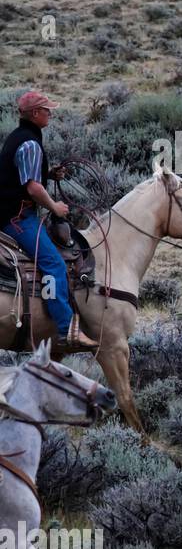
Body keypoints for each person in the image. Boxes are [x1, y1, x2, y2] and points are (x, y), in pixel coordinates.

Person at [0, 91, 97, 353]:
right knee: (53, 265)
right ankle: (66, 330)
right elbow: (31, 188)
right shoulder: (30, 144)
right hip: (18, 218)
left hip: (13, 213)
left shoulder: (21, 138)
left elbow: (25, 177)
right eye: (46, 110)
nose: (50, 114)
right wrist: (54, 206)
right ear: (34, 114)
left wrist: (49, 174)